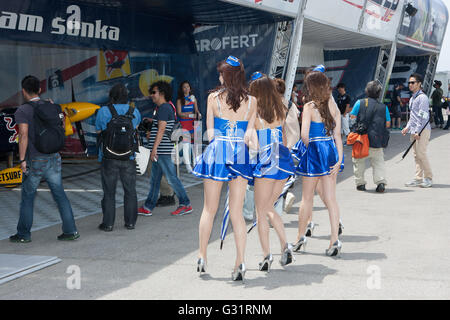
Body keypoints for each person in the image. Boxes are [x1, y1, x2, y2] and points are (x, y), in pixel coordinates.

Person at [192, 56, 256, 281]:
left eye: (221, 73)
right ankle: (240, 262)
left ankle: (202, 255)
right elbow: (250, 135)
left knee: (209, 209)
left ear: (227, 75)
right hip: (239, 154)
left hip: (218, 151)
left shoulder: (212, 98)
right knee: (237, 213)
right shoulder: (252, 101)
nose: (219, 76)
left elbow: (210, 134)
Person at [10, 75, 79, 243]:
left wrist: (22, 160)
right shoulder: (52, 106)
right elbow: (61, 128)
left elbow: (23, 135)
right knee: (60, 194)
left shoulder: (23, 110)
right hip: (54, 157)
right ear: (40, 90)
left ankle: (23, 234)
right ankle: (70, 231)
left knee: (28, 196)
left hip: (35, 159)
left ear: (23, 91)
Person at [290, 71, 343, 257]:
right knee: (330, 198)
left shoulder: (309, 107)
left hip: (314, 151)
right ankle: (334, 239)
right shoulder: (333, 106)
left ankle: (299, 237)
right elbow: (338, 136)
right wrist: (338, 160)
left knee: (307, 198)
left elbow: (304, 135)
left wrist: (309, 151)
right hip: (330, 151)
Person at [249, 74, 295, 271]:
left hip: (266, 161)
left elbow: (253, 142)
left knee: (261, 212)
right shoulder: (280, 111)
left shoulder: (254, 112)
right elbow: (284, 139)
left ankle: (267, 255)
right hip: (282, 161)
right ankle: (285, 245)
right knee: (269, 208)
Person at [138, 81, 193, 216]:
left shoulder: (163, 108)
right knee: (155, 180)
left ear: (162, 93)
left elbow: (161, 130)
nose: (152, 95)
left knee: (171, 178)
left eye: (154, 92)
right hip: (161, 149)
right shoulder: (164, 108)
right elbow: (162, 127)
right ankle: (148, 206)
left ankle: (185, 203)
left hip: (161, 150)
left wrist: (154, 149)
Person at [95, 84, 141, 231]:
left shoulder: (103, 111)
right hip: (129, 156)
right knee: (130, 190)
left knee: (109, 192)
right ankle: (130, 223)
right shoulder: (134, 111)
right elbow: (135, 130)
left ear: (111, 96)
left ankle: (108, 224)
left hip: (109, 157)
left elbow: (98, 131)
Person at [349, 81, 390, 193]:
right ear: (379, 93)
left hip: (361, 139)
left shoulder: (359, 103)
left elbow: (352, 117)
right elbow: (387, 124)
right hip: (376, 140)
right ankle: (380, 182)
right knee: (378, 162)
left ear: (366, 91)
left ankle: (360, 184)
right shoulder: (383, 107)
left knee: (359, 162)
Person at [402, 73, 433, 188]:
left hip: (422, 131)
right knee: (416, 155)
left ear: (419, 84)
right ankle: (418, 178)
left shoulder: (422, 98)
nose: (410, 84)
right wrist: (407, 127)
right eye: (409, 82)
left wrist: (418, 132)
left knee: (421, 154)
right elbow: (413, 116)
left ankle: (428, 178)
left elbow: (423, 116)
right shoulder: (412, 98)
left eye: (413, 82)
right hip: (414, 131)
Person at [274, 77, 300, 214]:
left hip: (274, 146)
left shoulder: (269, 105)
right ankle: (285, 196)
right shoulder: (290, 105)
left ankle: (277, 208)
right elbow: (295, 127)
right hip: (289, 147)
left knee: (274, 180)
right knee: (283, 178)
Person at [176, 81, 201, 173]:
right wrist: (190, 115)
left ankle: (196, 164)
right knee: (186, 145)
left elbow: (196, 111)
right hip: (184, 123)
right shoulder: (179, 100)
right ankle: (188, 166)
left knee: (195, 144)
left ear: (190, 88)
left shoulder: (193, 98)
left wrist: (197, 115)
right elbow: (179, 113)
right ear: (182, 89)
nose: (186, 89)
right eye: (184, 87)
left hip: (194, 123)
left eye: (188, 87)